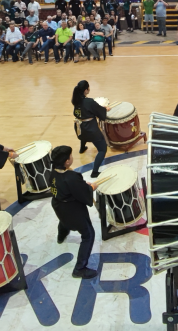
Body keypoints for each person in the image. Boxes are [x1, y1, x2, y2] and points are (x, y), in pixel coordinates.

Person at [50, 145, 99, 279]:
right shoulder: (71, 176)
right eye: (70, 156)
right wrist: (91, 188)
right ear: (67, 161)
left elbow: (72, 187)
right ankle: (80, 268)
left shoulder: (52, 172)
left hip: (58, 205)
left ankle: (61, 236)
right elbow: (82, 191)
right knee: (88, 234)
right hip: (72, 210)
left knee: (64, 221)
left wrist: (83, 185)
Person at [72, 80, 109, 178]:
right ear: (85, 90)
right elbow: (99, 111)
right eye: (88, 88)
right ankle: (95, 172)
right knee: (102, 149)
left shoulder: (76, 101)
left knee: (83, 133)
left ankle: (82, 148)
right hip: (90, 130)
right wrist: (105, 109)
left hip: (79, 128)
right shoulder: (89, 101)